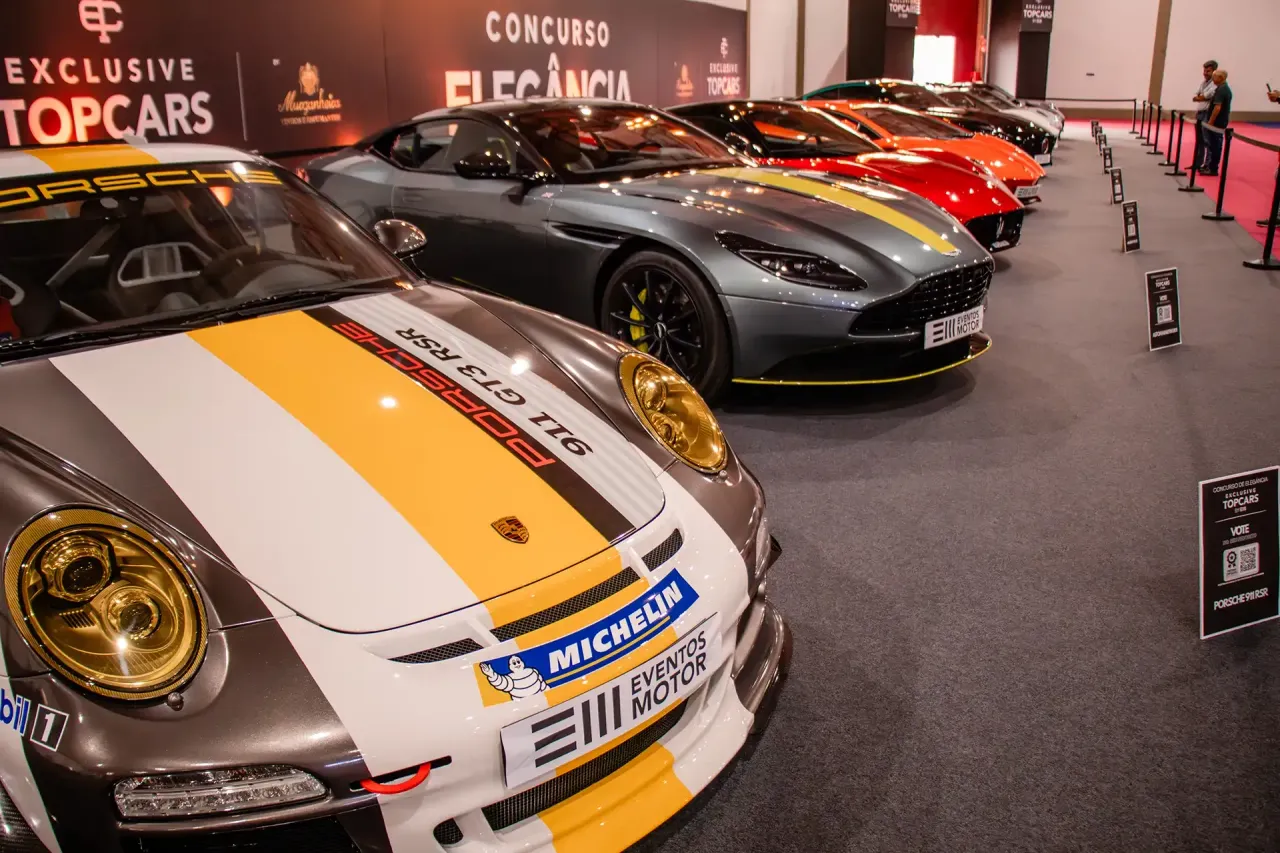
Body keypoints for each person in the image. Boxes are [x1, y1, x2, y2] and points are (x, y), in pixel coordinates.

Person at [1200, 70, 1232, 176]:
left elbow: (1217, 107)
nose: (1213, 79)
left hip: (1217, 123)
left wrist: (1210, 122)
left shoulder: (1222, 90)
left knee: (1215, 145)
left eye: (1214, 77)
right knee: (1213, 145)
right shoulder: (1222, 88)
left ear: (1221, 78)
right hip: (1219, 121)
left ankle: (1213, 168)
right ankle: (1210, 166)